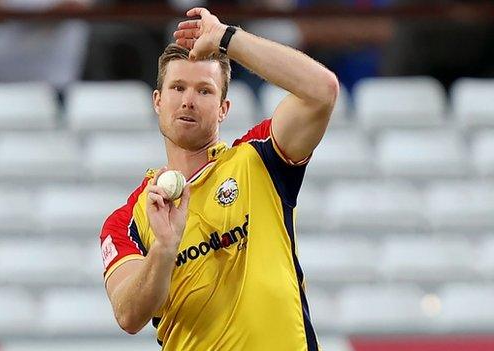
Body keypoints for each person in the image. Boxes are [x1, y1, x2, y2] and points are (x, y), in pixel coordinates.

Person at [99, 7, 338, 350]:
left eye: (205, 91)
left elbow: (323, 90)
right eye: (178, 87)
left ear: (224, 108)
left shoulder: (260, 159)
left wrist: (227, 38)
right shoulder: (128, 221)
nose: (189, 101)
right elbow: (129, 315)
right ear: (158, 101)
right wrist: (165, 248)